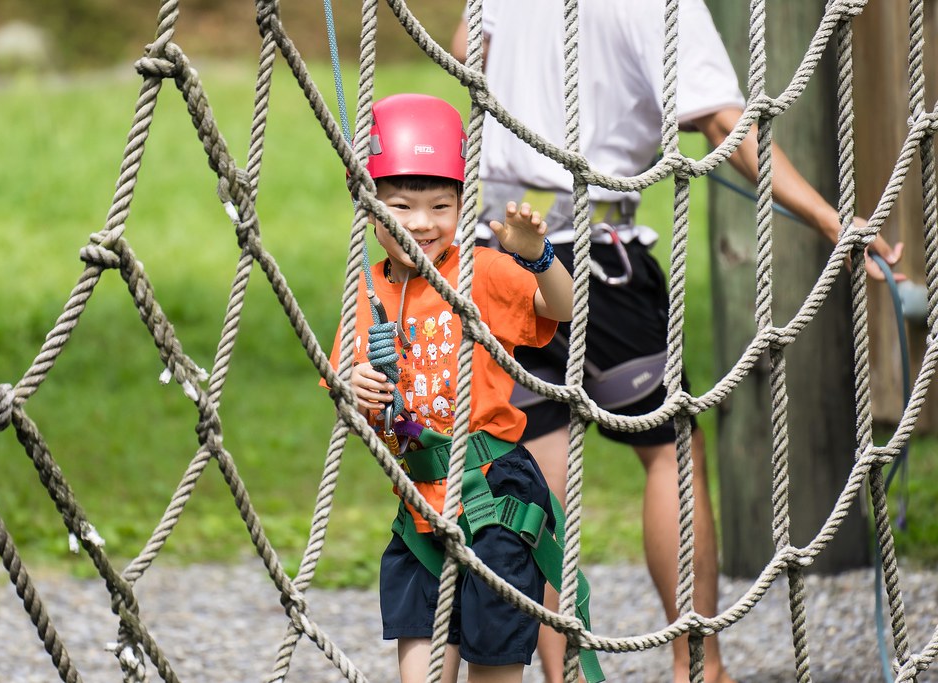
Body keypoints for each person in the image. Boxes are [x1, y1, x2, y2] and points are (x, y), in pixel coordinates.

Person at [451, 2, 904, 683]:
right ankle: (701, 665)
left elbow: (467, 49)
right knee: (671, 455)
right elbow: (724, 121)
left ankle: (564, 671)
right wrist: (825, 216)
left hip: (501, 250)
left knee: (538, 474)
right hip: (597, 258)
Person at [326, 93, 582, 683]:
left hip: (493, 491)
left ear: (463, 205)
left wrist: (539, 258)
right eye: (401, 206)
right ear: (369, 206)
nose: (421, 222)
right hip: (420, 498)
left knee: (494, 660)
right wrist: (354, 387)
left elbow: (563, 308)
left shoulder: (481, 272)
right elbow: (345, 387)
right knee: (420, 652)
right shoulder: (365, 293)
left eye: (441, 206)